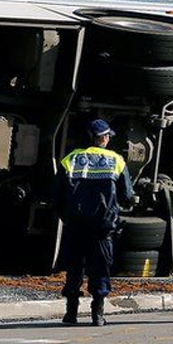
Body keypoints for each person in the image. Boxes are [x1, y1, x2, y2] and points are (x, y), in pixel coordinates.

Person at [53, 118, 134, 326]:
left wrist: (67, 216)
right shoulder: (116, 160)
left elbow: (57, 195)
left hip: (75, 225)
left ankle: (71, 314)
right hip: (102, 226)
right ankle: (97, 314)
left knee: (74, 268)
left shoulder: (69, 160)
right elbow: (127, 196)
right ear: (104, 138)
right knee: (100, 268)